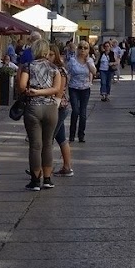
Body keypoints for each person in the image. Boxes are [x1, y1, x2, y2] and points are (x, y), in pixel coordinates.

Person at [17, 39, 65, 191]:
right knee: (48, 144)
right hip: (51, 108)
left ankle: (35, 180)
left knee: (35, 145)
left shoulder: (28, 66)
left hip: (33, 108)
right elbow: (57, 89)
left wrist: (35, 91)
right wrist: (44, 91)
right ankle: (48, 179)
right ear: (46, 51)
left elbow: (22, 86)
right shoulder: (54, 68)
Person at [51, 46, 76, 177]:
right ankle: (67, 167)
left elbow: (59, 91)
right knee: (61, 138)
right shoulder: (56, 69)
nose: (47, 57)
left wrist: (54, 107)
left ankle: (43, 171)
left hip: (59, 108)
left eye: (50, 54)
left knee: (48, 139)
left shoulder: (59, 70)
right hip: (61, 107)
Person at [64, 42, 95, 143]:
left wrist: (88, 62)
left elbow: (94, 72)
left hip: (85, 89)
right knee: (75, 111)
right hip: (73, 88)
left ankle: (81, 135)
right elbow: (67, 73)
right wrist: (64, 88)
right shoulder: (73, 61)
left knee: (83, 113)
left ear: (88, 50)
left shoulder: (89, 60)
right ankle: (72, 134)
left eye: (85, 48)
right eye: (81, 48)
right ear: (77, 49)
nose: (83, 50)